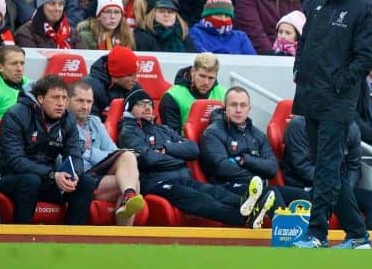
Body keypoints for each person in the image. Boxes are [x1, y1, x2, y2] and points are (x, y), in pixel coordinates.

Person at [292, 0, 372, 249]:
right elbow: (304, 40)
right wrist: (298, 69)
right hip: (309, 94)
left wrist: (340, 83)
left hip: (337, 100)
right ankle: (357, 234)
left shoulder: (363, 7)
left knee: (327, 167)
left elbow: (366, 57)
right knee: (326, 166)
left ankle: (317, 234)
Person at [118, 87, 274, 228]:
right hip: (157, 182)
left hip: (182, 176)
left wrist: (166, 149)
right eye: (140, 104)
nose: (147, 107)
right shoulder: (128, 132)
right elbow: (148, 159)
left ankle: (252, 204)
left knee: (213, 192)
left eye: (149, 103)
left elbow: (193, 149)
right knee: (201, 199)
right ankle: (245, 220)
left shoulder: (163, 129)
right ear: (129, 109)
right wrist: (178, 157)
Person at [0, 74, 97, 224]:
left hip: (46, 177)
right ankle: (21, 236)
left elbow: (74, 155)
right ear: (40, 99)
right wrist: (52, 175)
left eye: (64, 98)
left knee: (86, 182)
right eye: (55, 98)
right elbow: (15, 161)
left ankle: (72, 238)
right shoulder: (16, 114)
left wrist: (73, 175)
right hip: (7, 177)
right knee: (31, 180)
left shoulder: (68, 119)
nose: (61, 103)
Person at [200, 86, 309, 214]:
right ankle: (284, 231)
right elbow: (222, 167)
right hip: (226, 187)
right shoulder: (212, 133)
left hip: (257, 187)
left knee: (301, 196)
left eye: (243, 105)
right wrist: (257, 174)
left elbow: (272, 168)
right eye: (234, 105)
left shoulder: (258, 135)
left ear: (249, 109)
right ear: (225, 108)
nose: (239, 110)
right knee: (270, 194)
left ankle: (313, 232)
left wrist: (245, 160)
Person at [282, 116, 372, 231]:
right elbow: (303, 167)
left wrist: (345, 191)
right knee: (341, 205)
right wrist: (335, 186)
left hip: (339, 185)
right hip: (307, 186)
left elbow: (354, 167)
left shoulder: (352, 129)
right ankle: (354, 237)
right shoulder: (299, 125)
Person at [67, 80, 144, 225]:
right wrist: (97, 155)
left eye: (89, 101)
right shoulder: (64, 124)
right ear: (67, 101)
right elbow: (69, 160)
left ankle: (128, 196)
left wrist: (88, 152)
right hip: (81, 180)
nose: (85, 106)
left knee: (126, 160)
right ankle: (123, 239)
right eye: (80, 101)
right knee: (133, 182)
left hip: (99, 175)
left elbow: (113, 153)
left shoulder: (95, 121)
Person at [159, 52, 226, 134]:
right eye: (202, 76)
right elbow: (171, 136)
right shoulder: (172, 97)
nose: (206, 82)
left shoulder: (225, 95)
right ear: (193, 71)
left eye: (211, 78)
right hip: (185, 144)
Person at [15, 0, 84, 49]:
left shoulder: (73, 33)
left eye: (60, 4)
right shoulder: (25, 33)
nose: (57, 8)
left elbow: (83, 57)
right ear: (41, 7)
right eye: (52, 3)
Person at [189, 0, 255, 55]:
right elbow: (202, 61)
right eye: (218, 14)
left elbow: (252, 62)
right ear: (207, 15)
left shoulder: (241, 37)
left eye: (227, 16)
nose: (223, 19)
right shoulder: (196, 33)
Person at [83, 45, 142, 118]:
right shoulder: (89, 88)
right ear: (116, 75)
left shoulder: (135, 88)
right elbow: (90, 124)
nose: (136, 79)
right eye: (130, 75)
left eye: (136, 74)